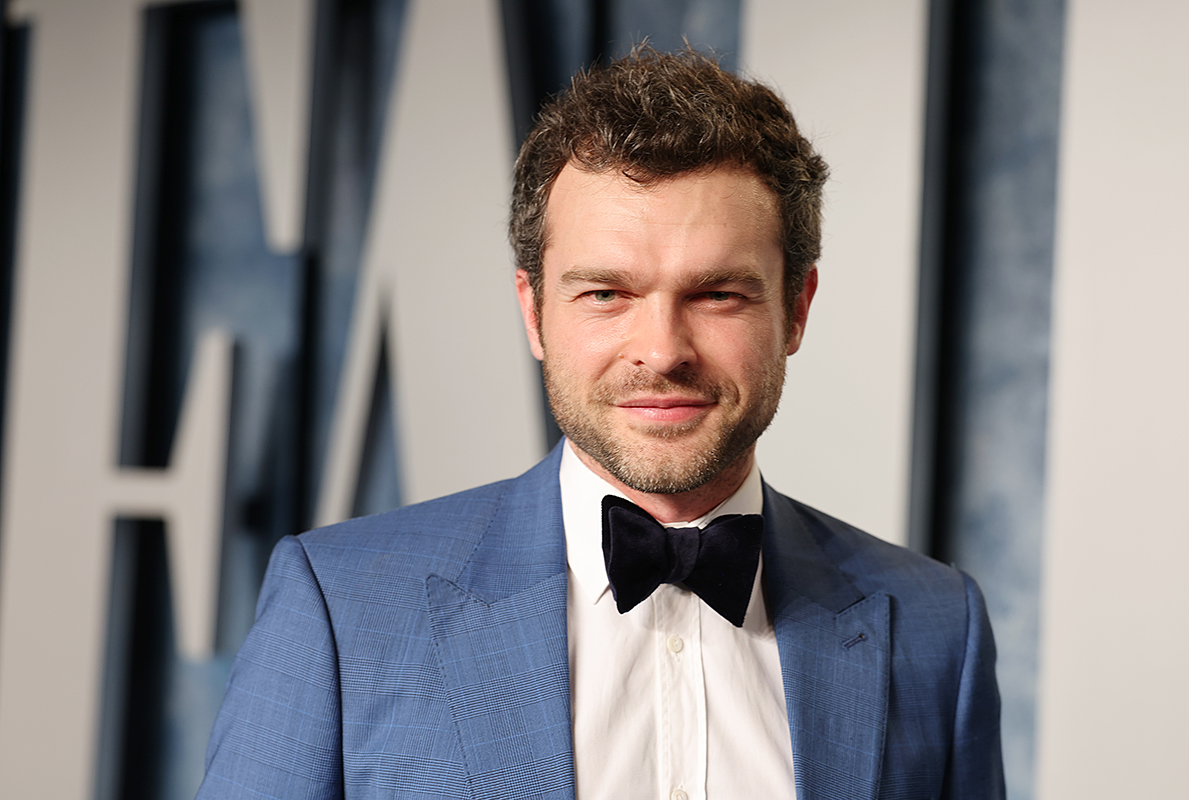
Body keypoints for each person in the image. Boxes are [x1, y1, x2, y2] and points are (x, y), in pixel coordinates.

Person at [198, 47, 1003, 800]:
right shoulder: (340, 608)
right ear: (534, 311)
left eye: (718, 293)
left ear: (795, 308)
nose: (661, 351)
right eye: (606, 294)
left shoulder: (938, 631)